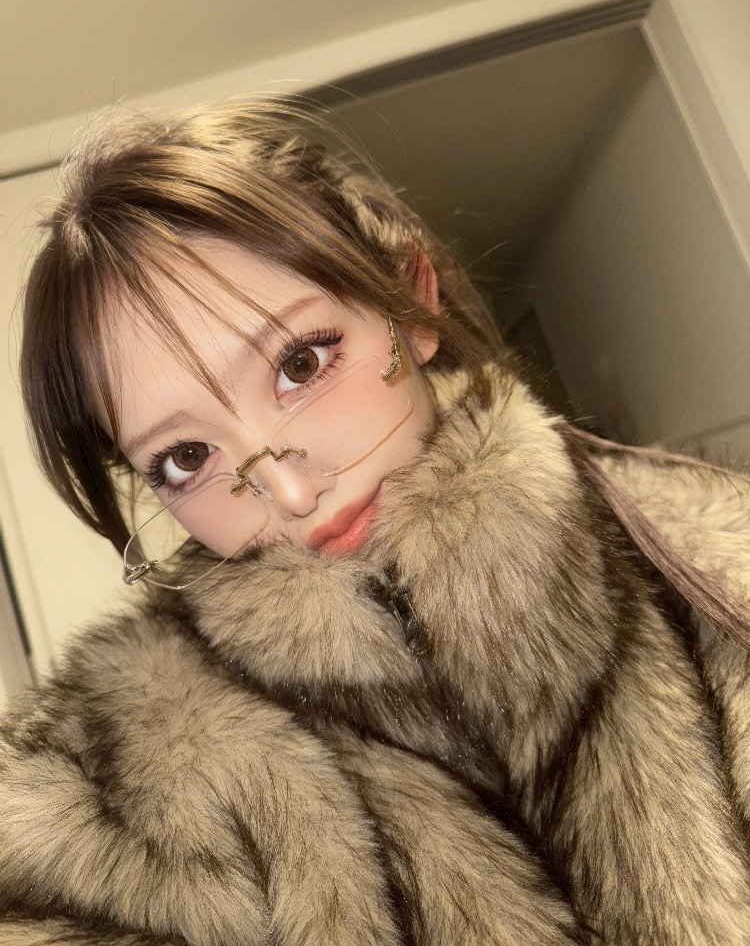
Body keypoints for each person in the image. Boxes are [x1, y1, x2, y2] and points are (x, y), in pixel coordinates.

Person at [1, 99, 749, 946]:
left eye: (301, 364)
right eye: (185, 457)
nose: (289, 492)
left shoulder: (716, 563)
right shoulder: (117, 784)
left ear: (411, 301)